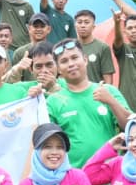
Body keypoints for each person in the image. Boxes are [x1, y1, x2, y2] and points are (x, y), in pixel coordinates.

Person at [48, 39, 130, 171]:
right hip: (74, 181)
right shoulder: (53, 101)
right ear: (58, 69)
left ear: (85, 60)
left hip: (109, 179)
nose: (71, 64)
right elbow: (49, 145)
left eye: (75, 58)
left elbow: (130, 126)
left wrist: (111, 102)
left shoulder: (108, 91)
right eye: (64, 61)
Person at [71, 10, 115, 85]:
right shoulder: (69, 47)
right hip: (73, 94)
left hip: (95, 94)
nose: (83, 25)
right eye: (79, 22)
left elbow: (108, 79)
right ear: (75, 25)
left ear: (93, 26)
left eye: (86, 22)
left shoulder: (103, 47)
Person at [7, 13, 52, 83]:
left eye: (42, 26)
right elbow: (14, 81)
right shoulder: (19, 53)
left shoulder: (54, 51)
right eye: (35, 26)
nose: (39, 29)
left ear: (49, 29)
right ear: (29, 28)